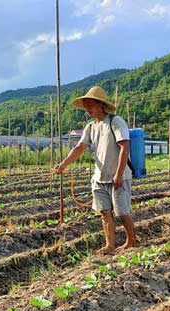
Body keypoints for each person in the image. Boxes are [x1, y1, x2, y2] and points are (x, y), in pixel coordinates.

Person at [54, 86, 135, 255]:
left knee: (122, 212)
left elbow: (125, 147)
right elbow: (79, 148)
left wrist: (119, 174)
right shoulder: (90, 127)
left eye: (90, 105)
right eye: (85, 106)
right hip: (99, 177)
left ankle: (130, 242)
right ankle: (110, 245)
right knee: (104, 212)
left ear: (100, 105)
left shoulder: (115, 121)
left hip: (118, 176)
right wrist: (64, 163)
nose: (88, 109)